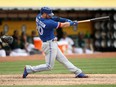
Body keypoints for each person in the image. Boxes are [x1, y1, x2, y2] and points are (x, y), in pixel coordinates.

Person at [22, 7, 88, 78]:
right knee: (49, 66)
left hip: (51, 43)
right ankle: (29, 69)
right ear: (44, 14)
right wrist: (72, 23)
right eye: (48, 14)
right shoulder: (48, 23)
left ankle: (78, 72)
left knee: (63, 60)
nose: (50, 15)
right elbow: (63, 25)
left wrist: (67, 20)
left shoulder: (38, 17)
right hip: (49, 44)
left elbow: (56, 18)